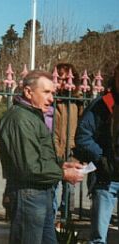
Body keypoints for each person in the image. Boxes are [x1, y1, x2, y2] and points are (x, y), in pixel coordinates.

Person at [0, 70, 84, 244]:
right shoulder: (20, 119)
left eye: (52, 93)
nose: (52, 98)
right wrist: (62, 174)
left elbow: (39, 156)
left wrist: (62, 165)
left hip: (40, 194)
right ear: (29, 92)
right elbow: (29, 167)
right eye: (46, 92)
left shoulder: (32, 117)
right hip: (28, 196)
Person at [74, 64, 119, 243]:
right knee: (98, 237)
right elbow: (83, 136)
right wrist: (101, 158)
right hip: (106, 179)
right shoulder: (102, 105)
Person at [54, 63, 83, 219]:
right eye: (60, 79)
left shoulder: (78, 101)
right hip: (55, 148)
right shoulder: (52, 99)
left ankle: (67, 220)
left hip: (72, 149)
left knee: (69, 188)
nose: (64, 83)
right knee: (53, 187)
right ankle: (51, 220)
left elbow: (83, 125)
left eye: (67, 79)